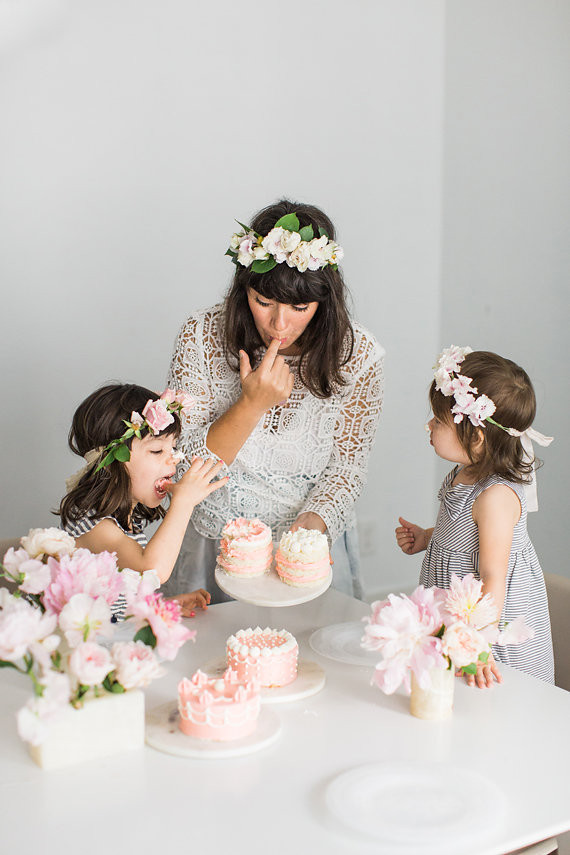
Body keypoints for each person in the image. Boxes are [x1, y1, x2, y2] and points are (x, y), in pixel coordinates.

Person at [164, 199, 384, 602]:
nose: (279, 324)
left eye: (300, 307)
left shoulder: (359, 355)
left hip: (308, 550)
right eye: (263, 302)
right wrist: (252, 405)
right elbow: (182, 468)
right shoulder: (200, 334)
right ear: (243, 287)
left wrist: (306, 538)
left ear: (325, 302)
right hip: (214, 545)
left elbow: (347, 468)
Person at [395, 346, 554, 687]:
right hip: (458, 611)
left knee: (491, 698)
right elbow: (467, 534)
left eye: (438, 421)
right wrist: (429, 536)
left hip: (488, 625)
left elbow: (493, 576)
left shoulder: (495, 497)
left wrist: (478, 643)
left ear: (477, 437)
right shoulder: (466, 472)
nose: (429, 426)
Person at [59, 383, 228, 616]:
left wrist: (159, 607)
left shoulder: (124, 519)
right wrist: (184, 502)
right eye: (157, 451)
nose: (173, 460)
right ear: (112, 461)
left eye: (174, 448)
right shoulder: (96, 527)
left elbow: (121, 594)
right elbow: (152, 571)